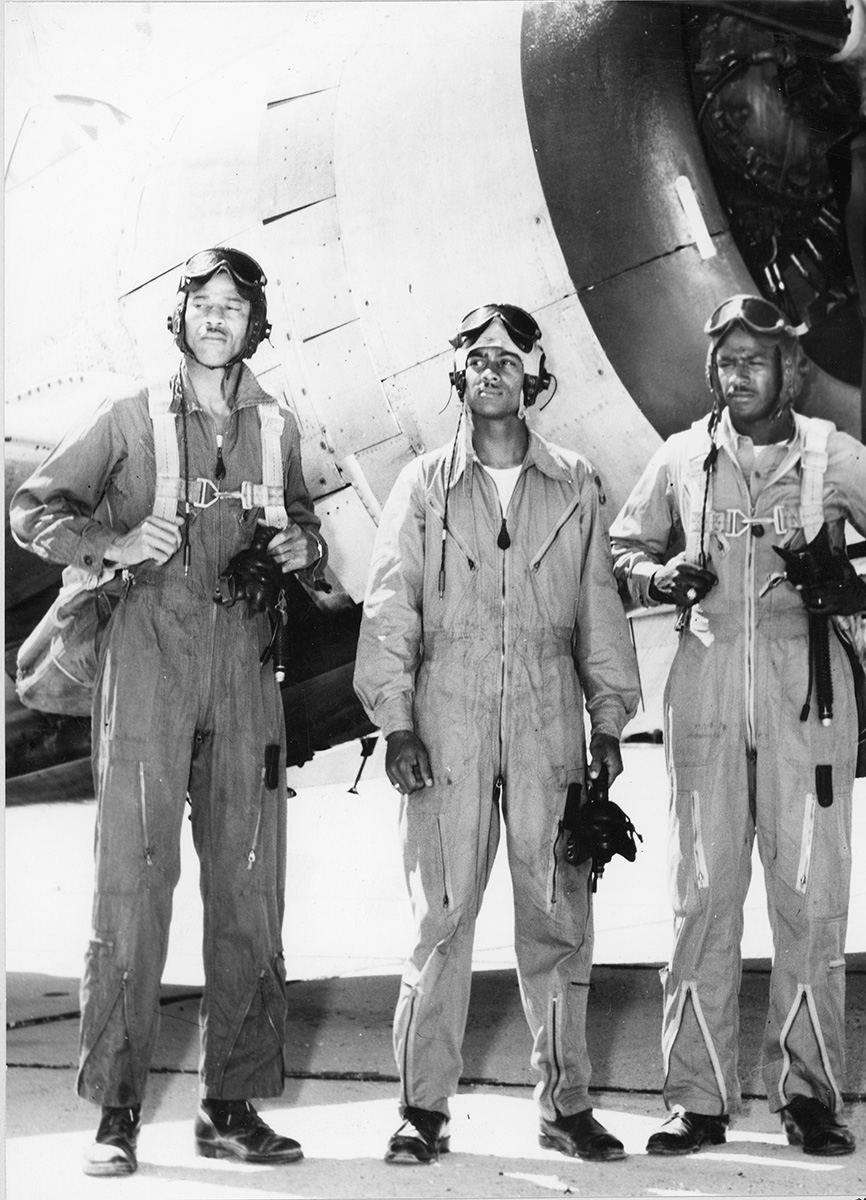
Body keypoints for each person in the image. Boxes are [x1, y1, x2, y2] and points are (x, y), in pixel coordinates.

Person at [10, 248, 328, 1176]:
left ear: (254, 325)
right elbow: (34, 509)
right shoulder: (126, 415)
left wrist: (298, 545)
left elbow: (305, 530)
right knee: (130, 892)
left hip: (245, 671)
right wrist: (111, 541)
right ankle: (114, 1114)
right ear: (180, 318)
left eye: (235, 307)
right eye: (203, 305)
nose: (217, 319)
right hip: (147, 666)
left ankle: (229, 1107)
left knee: (248, 894)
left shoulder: (277, 428)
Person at [610, 294, 866, 1157]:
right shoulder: (682, 460)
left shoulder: (838, 460)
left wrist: (855, 591)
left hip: (809, 702)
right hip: (706, 701)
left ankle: (810, 1099)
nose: (737, 372)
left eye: (755, 358)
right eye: (724, 358)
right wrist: (658, 575)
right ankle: (696, 1099)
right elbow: (620, 550)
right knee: (700, 902)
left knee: (811, 907)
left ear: (788, 368)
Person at [353, 303, 641, 1165]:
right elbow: (390, 606)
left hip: (550, 716)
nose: (491, 371)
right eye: (477, 358)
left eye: (508, 361)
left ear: (534, 379)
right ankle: (421, 1109)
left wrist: (609, 719)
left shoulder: (575, 482)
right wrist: (396, 721)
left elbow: (600, 609)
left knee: (557, 919)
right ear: (458, 377)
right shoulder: (421, 485)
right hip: (447, 713)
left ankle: (565, 1104)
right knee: (440, 916)